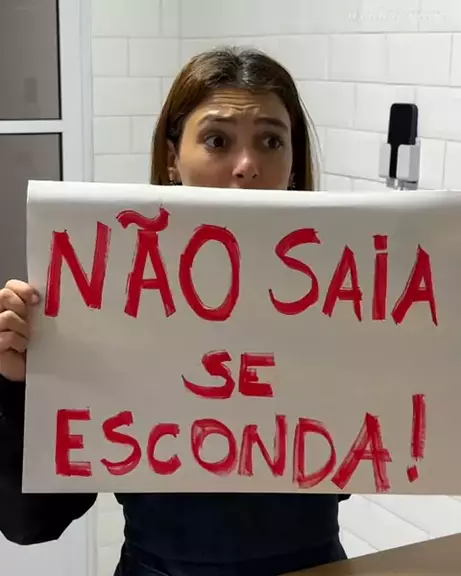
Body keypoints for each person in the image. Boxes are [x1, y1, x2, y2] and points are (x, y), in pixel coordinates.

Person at [0, 46, 350, 576]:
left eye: (271, 141)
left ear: (293, 161)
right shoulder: (108, 298)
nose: (248, 166)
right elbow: (32, 523)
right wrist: (19, 385)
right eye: (217, 140)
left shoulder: (339, 295)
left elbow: (352, 469)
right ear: (172, 159)